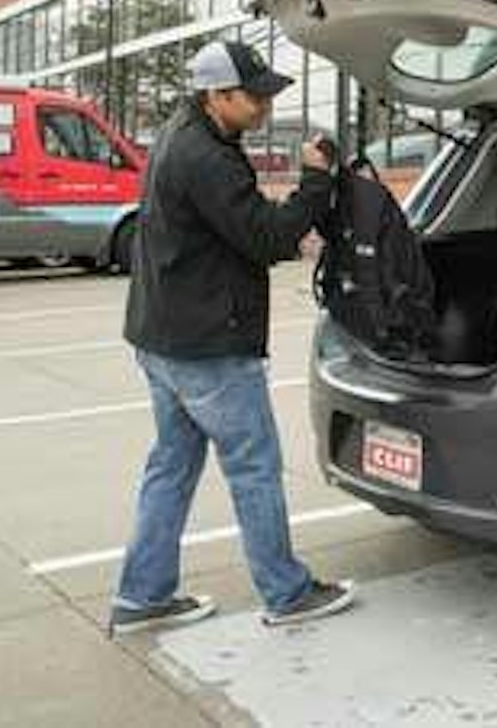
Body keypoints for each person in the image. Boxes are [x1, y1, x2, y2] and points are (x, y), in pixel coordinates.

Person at [108, 40, 356, 634]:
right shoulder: (207, 156)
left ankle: (141, 598)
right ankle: (286, 592)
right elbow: (268, 237)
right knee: (254, 467)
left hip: (163, 337)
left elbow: (230, 222)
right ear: (217, 95)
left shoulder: (181, 135)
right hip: (208, 347)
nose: (265, 105)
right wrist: (316, 182)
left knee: (171, 466)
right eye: (256, 95)